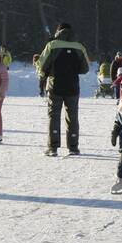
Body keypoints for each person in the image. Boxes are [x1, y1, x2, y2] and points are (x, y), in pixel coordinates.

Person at [36, 22, 90, 156]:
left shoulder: (52, 45)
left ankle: (53, 147)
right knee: (72, 116)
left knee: (53, 115)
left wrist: (43, 72)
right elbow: (85, 69)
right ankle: (73, 147)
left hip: (55, 86)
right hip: (72, 86)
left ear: (58, 31)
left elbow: (42, 67)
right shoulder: (79, 47)